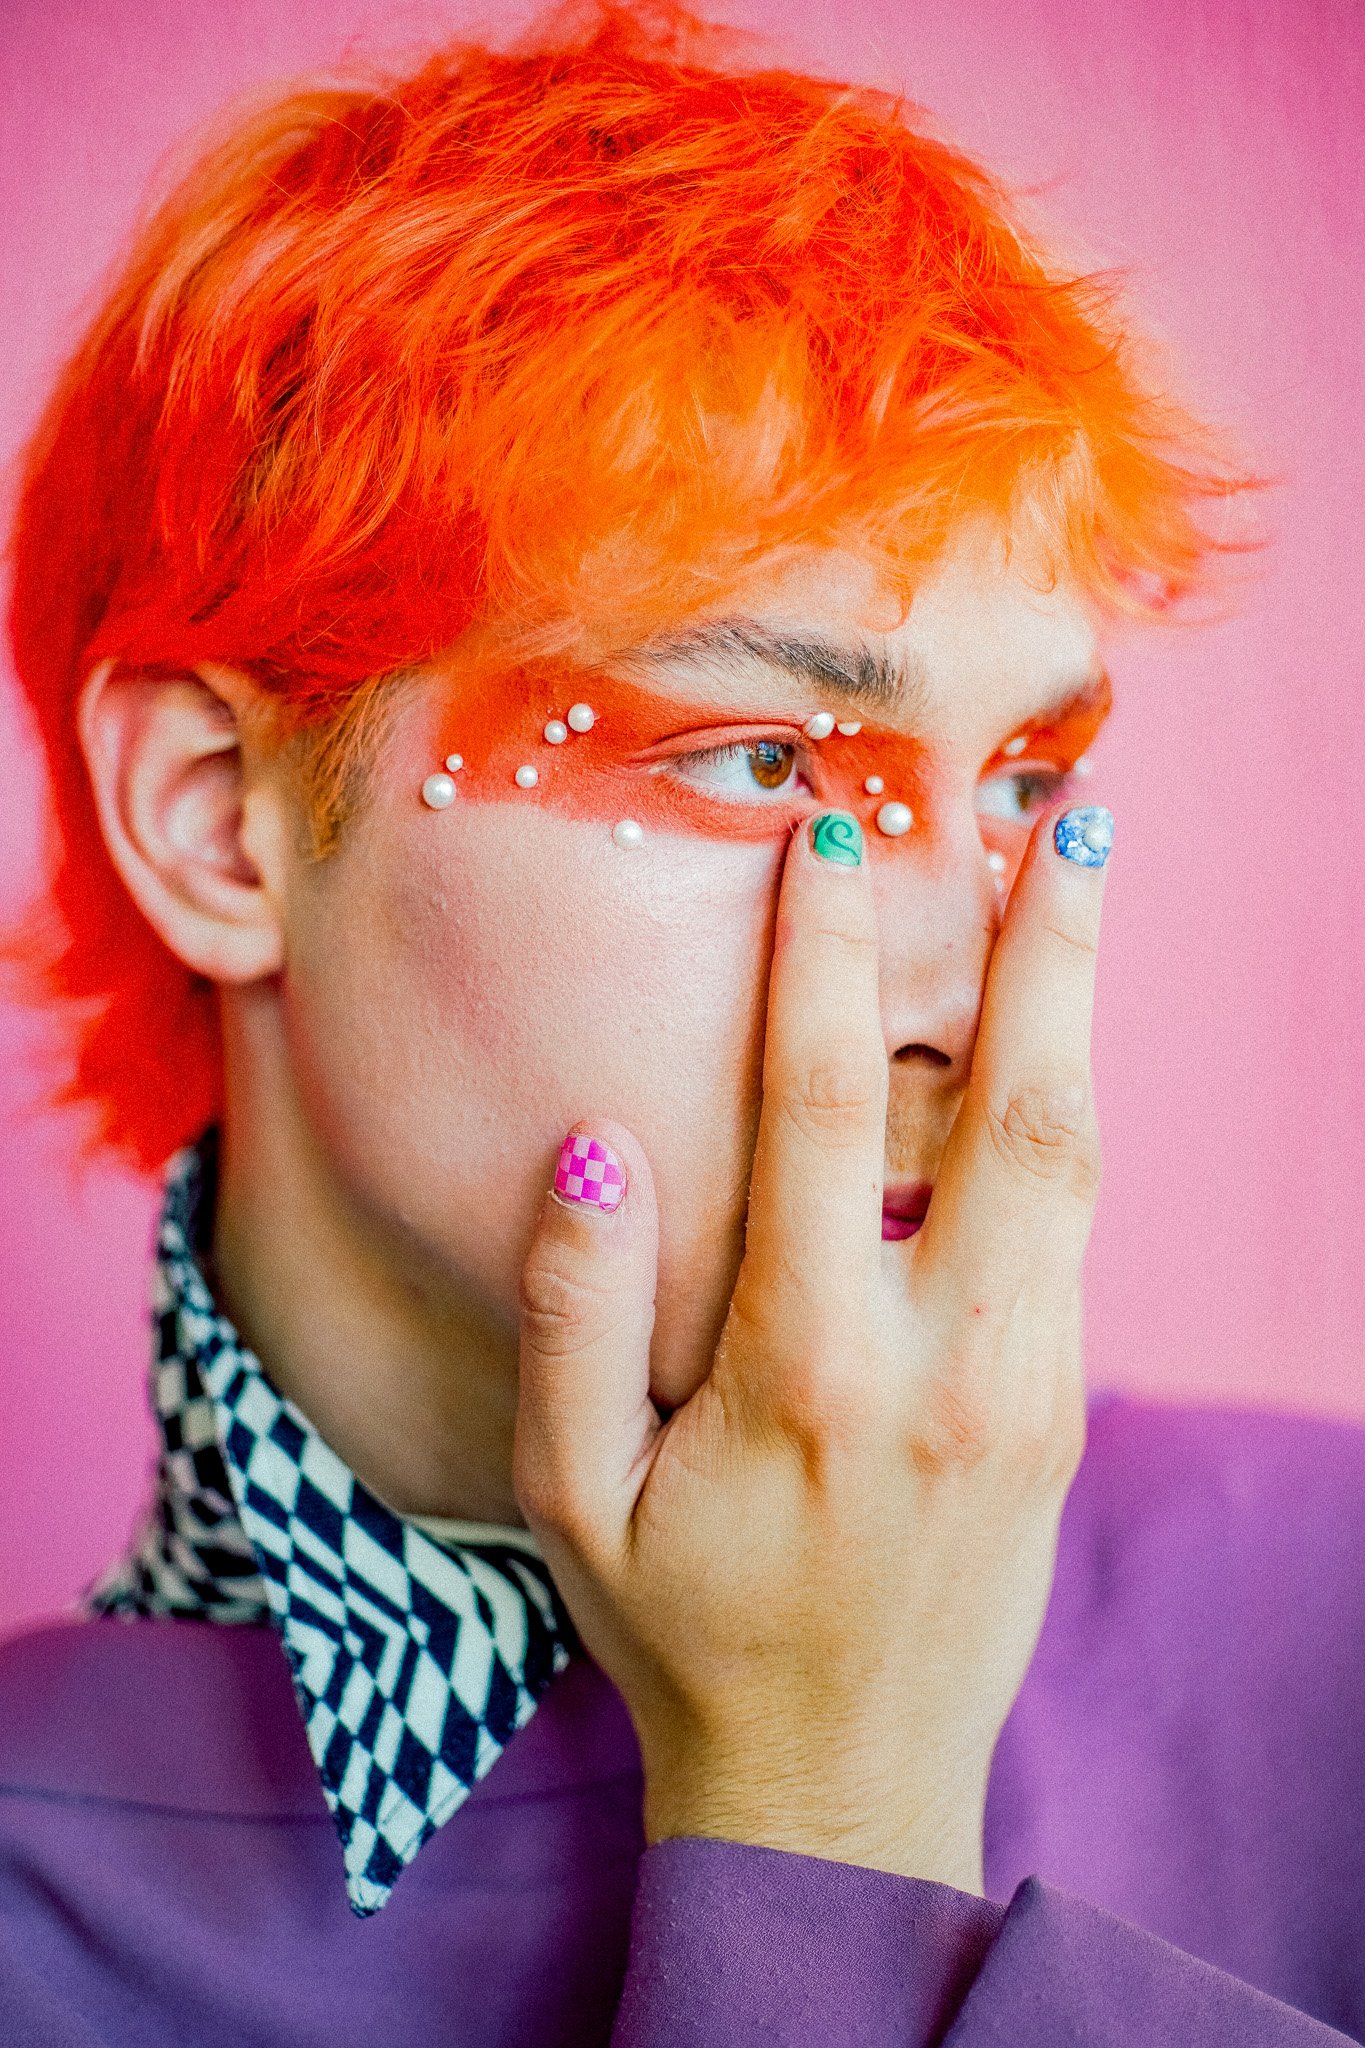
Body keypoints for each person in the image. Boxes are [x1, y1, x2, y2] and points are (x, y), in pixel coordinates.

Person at [2, 2, 1362, 2041]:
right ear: (217, 821)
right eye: (754, 762)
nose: (955, 992)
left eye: (1018, 788)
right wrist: (820, 1817)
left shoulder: (1326, 1630)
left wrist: (834, 1803)